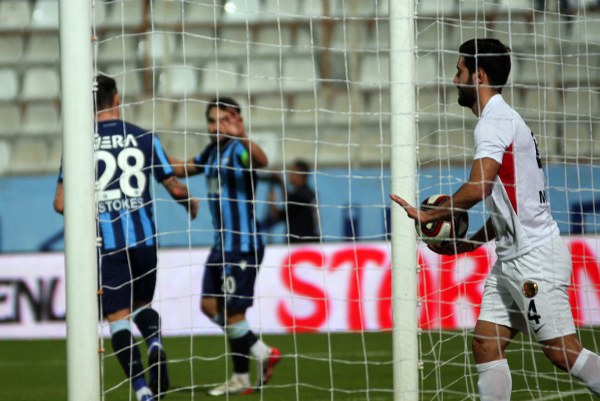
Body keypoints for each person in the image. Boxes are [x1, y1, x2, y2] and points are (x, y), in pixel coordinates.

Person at [390, 38, 600, 400]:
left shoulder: (493, 122)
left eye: (459, 71)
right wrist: (468, 244)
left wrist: (430, 214)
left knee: (561, 351)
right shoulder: (506, 120)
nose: (455, 79)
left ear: (479, 75)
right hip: (512, 259)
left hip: (535, 259)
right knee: (486, 343)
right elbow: (506, 206)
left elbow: (479, 187)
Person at [54, 75, 199, 401]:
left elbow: (60, 204)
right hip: (144, 240)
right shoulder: (145, 137)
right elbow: (174, 187)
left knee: (117, 319)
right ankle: (155, 343)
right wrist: (189, 201)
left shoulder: (78, 144)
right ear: (117, 98)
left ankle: (143, 390)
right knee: (143, 305)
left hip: (108, 246)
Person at [169, 97, 281, 396]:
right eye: (211, 120)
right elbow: (181, 169)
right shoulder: (211, 152)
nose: (215, 126)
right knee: (209, 306)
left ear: (235, 122)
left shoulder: (239, 150)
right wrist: (150, 151)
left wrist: (242, 136)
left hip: (243, 245)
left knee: (233, 314)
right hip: (221, 246)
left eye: (223, 120)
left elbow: (261, 161)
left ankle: (243, 373)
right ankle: (258, 354)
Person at [264, 159, 319, 243]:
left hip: (306, 242)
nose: (289, 176)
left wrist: (280, 183)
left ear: (301, 175)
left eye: (292, 173)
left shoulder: (307, 195)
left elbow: (292, 200)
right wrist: (272, 203)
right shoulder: (297, 195)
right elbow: (280, 216)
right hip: (293, 242)